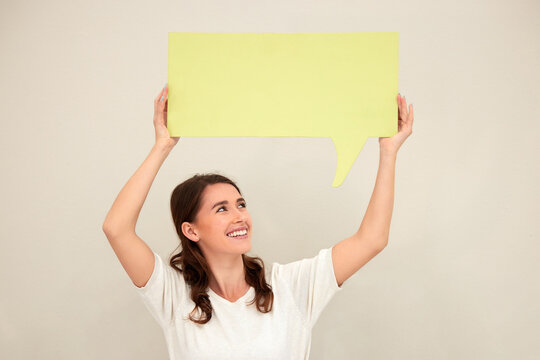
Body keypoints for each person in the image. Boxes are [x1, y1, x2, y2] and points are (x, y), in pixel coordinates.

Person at [102, 84, 414, 359]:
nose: (240, 216)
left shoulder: (291, 287)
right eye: (221, 209)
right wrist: (163, 145)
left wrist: (388, 152)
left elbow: (372, 239)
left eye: (240, 204)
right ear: (191, 229)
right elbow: (116, 229)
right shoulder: (172, 295)